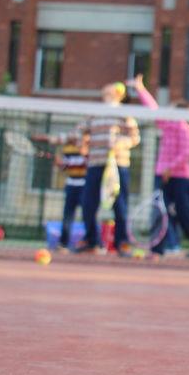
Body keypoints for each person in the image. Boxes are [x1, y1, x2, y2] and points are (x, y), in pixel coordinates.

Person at [45, 81, 140, 255]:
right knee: (88, 203)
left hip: (117, 165)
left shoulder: (125, 114)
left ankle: (122, 243)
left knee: (120, 205)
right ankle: (92, 241)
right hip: (95, 164)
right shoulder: (95, 113)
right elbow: (77, 133)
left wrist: (119, 143)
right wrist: (59, 140)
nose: (107, 88)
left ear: (118, 94)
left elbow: (135, 138)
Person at [133, 75, 189, 261]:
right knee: (159, 212)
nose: (168, 110)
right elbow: (152, 109)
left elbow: (186, 153)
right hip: (162, 176)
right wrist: (140, 88)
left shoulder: (184, 128)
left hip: (180, 179)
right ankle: (156, 250)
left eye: (172, 108)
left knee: (184, 215)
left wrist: (170, 168)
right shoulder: (165, 124)